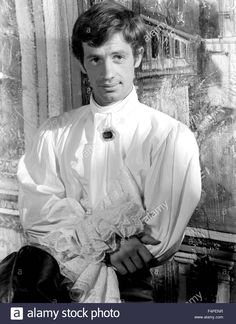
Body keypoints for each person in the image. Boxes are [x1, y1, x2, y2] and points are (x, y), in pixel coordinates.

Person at [17, 0, 201, 303]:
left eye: (118, 57)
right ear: (81, 63)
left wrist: (95, 240)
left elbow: (160, 232)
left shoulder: (170, 136)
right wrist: (110, 243)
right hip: (55, 290)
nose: (106, 72)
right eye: (95, 59)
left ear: (138, 56)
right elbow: (37, 213)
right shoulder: (54, 133)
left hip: (130, 291)